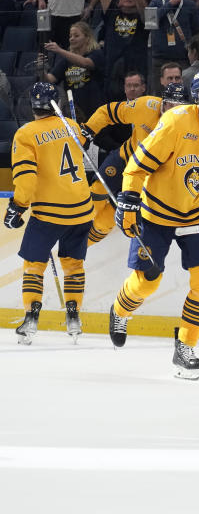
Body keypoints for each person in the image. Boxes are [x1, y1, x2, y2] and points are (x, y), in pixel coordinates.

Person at [108, 69, 199, 380]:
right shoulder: (176, 121)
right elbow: (138, 164)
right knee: (147, 281)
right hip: (155, 214)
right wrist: (128, 198)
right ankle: (120, 311)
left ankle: (185, 347)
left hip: (198, 216)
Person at [6, 82, 93, 345]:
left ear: (31, 104)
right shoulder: (72, 126)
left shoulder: (26, 134)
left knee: (35, 265)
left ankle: (31, 317)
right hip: (82, 210)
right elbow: (83, 146)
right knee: (74, 265)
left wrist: (18, 206)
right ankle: (74, 316)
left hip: (49, 214)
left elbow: (26, 179)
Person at [83, 74, 192, 246]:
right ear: (163, 102)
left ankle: (82, 246)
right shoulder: (146, 106)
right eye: (171, 104)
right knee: (97, 191)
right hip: (125, 158)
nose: (174, 111)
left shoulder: (192, 127)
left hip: (148, 176)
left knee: (107, 220)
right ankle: (74, 229)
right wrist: (88, 130)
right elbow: (107, 112)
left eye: (180, 107)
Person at [147, 0, 199, 91]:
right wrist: (169, 4)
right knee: (159, 97)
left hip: (183, 59)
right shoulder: (155, 2)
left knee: (183, 96)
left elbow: (197, 31)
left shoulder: (190, 5)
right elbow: (149, 23)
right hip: (159, 59)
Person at [44, 21, 106, 121]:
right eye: (70, 36)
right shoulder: (66, 59)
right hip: (74, 111)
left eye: (76, 36)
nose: (72, 39)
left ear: (87, 38)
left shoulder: (97, 54)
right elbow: (50, 80)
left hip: (94, 109)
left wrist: (60, 50)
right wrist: (41, 69)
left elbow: (86, 63)